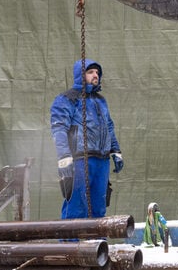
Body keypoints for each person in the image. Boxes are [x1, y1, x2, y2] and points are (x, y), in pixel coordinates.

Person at [50, 58, 123, 219]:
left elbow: (108, 126)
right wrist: (64, 156)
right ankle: (70, 244)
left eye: (97, 72)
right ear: (79, 75)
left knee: (99, 207)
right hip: (80, 160)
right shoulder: (67, 99)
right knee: (76, 206)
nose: (95, 75)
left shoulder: (100, 101)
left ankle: (97, 243)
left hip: (102, 161)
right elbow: (59, 127)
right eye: (90, 72)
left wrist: (115, 150)